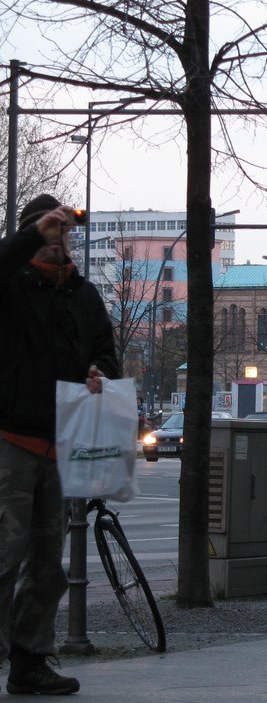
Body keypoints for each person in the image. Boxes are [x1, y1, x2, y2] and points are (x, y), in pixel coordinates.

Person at [0, 194, 120, 695]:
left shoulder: (82, 294)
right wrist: (31, 232)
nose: (57, 241)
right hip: (10, 436)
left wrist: (100, 375)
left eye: (62, 233)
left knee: (48, 565)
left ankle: (30, 661)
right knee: (4, 555)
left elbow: (107, 356)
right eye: (47, 232)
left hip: (62, 441)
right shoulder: (10, 285)